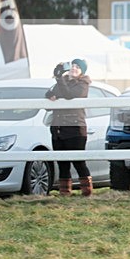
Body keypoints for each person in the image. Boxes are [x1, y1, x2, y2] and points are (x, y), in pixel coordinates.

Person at [46, 59, 92, 196]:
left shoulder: (83, 85)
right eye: (72, 66)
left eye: (78, 67)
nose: (74, 68)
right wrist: (51, 94)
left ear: (82, 71)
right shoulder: (61, 82)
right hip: (58, 128)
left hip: (75, 128)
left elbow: (69, 95)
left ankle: (87, 192)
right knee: (62, 163)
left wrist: (60, 79)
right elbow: (50, 93)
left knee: (78, 162)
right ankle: (65, 193)